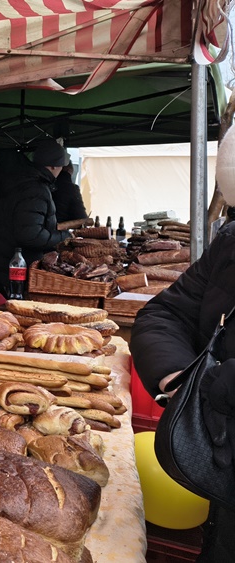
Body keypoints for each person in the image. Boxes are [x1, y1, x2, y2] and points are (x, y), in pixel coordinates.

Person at [131, 147, 235, 561]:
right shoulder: (229, 247)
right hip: (223, 471)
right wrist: (176, 375)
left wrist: (218, 386)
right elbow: (165, 312)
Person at [0, 138, 73, 292]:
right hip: (19, 270)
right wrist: (64, 237)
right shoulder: (35, 189)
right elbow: (30, 235)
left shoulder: (23, 180)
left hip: (8, 263)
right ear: (55, 165)